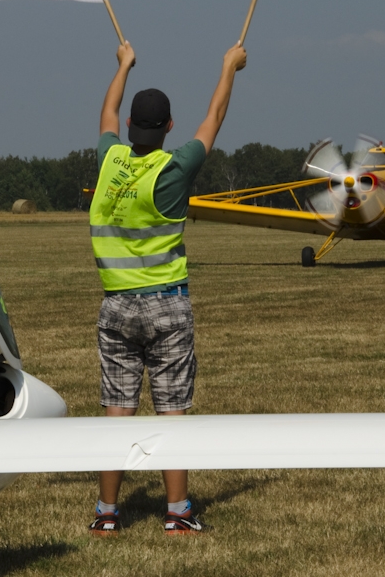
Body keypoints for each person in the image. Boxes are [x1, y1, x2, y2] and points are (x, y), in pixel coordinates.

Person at [88, 40, 247, 535]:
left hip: (115, 307)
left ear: (131, 128)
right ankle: (177, 514)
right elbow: (215, 116)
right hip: (167, 307)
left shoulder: (109, 159)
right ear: (169, 128)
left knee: (118, 409)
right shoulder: (174, 169)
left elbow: (107, 110)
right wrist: (229, 67)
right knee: (171, 409)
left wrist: (122, 65)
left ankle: (107, 514)